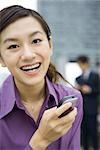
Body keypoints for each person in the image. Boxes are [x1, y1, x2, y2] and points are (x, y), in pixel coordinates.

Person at [0, 5, 83, 150]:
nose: (28, 55)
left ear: (50, 45)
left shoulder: (72, 98)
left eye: (36, 41)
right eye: (13, 46)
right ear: (1, 58)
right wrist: (40, 141)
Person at [75, 55, 100, 150]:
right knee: (84, 132)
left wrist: (90, 90)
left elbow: (98, 89)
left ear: (86, 64)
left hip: (92, 109)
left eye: (81, 64)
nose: (80, 66)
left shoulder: (95, 76)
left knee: (93, 132)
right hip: (82, 109)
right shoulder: (78, 78)